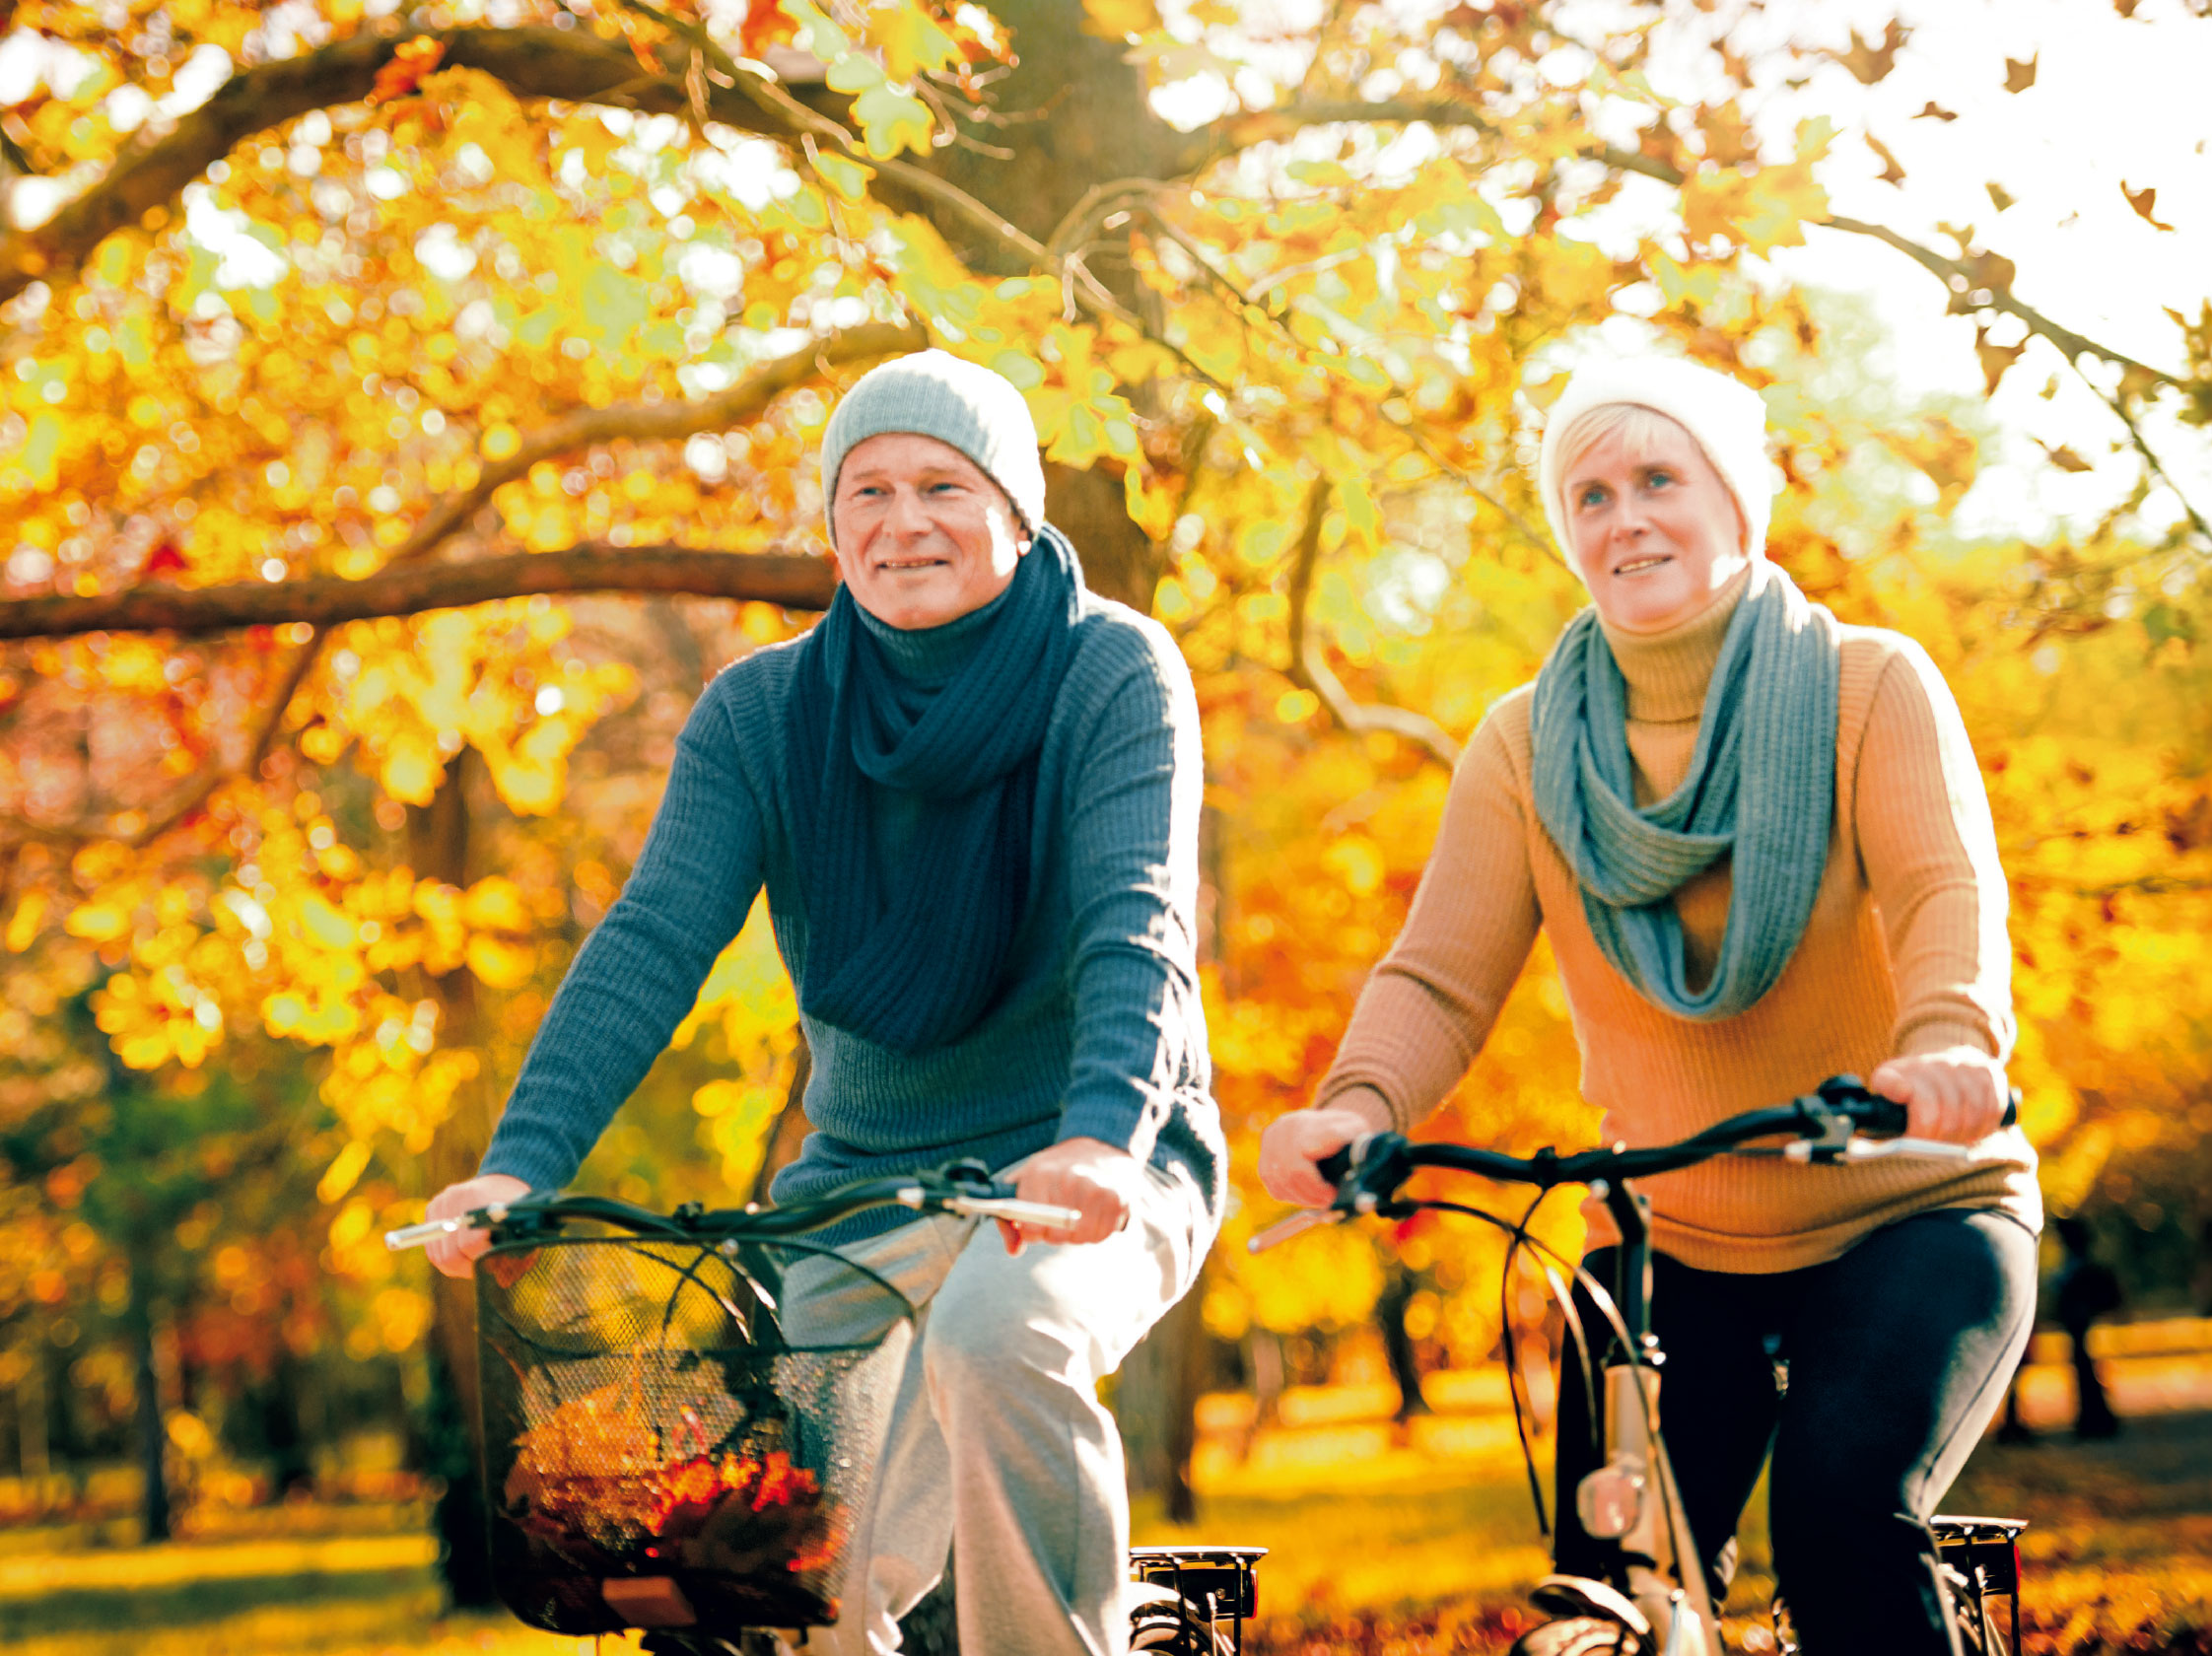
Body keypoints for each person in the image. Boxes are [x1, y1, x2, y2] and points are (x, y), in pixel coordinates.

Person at [422, 351, 1222, 1656]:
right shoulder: (763, 714)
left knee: (997, 1340)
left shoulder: (1111, 670)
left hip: (1085, 1160)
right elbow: (652, 940)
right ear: (835, 525)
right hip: (861, 1191)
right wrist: (522, 1165)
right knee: (792, 1586)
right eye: (869, 491)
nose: (905, 523)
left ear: (1017, 511)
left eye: (944, 487)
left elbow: (1137, 921)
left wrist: (1099, 1139)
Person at [1259, 354, 2042, 1652]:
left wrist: (1950, 1043)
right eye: (1592, 495)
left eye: (1659, 481)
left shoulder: (1871, 686)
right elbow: (1441, 974)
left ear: (1735, 501)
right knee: (1613, 1574)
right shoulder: (1524, 746)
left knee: (1842, 1516)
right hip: (1671, 1242)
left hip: (1910, 1209)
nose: (1625, 519)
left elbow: (1941, 892)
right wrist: (1356, 1107)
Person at [2052, 1215, 2123, 1437]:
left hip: (2079, 1324)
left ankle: (2094, 1420)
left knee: (2084, 1369)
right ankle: (2094, 1419)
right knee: (2084, 1369)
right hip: (2079, 1325)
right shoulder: (2077, 1263)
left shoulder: (2075, 1265)